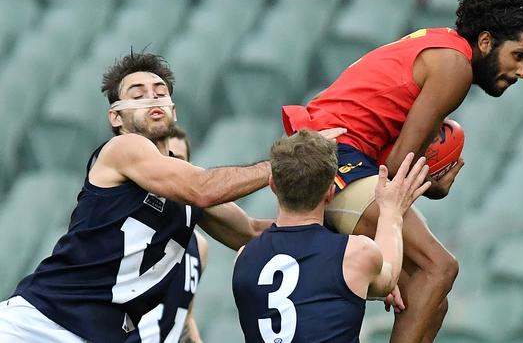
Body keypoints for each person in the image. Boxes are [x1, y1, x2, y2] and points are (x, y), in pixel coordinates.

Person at [0, 52, 344, 343]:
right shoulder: (124, 148)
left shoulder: (181, 180)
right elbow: (203, 188)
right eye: (137, 94)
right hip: (40, 322)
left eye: (160, 91)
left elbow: (252, 232)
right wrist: (291, 161)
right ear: (115, 117)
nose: (152, 98)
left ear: (174, 109)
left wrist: (349, 239)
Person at [281, 0, 523, 341]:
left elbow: (391, 160)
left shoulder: (436, 44)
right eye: (519, 56)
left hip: (328, 154)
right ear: (486, 42)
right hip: (337, 156)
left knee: (430, 298)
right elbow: (398, 167)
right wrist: (432, 188)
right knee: (439, 268)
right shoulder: (455, 67)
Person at [232, 129, 431, 342]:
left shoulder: (244, 258)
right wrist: (391, 212)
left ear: (272, 184)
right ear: (330, 192)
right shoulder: (356, 255)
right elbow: (389, 277)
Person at [129, 124, 207, 343]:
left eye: (178, 159)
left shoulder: (199, 246)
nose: (170, 168)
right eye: (162, 160)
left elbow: (185, 316)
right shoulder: (123, 230)